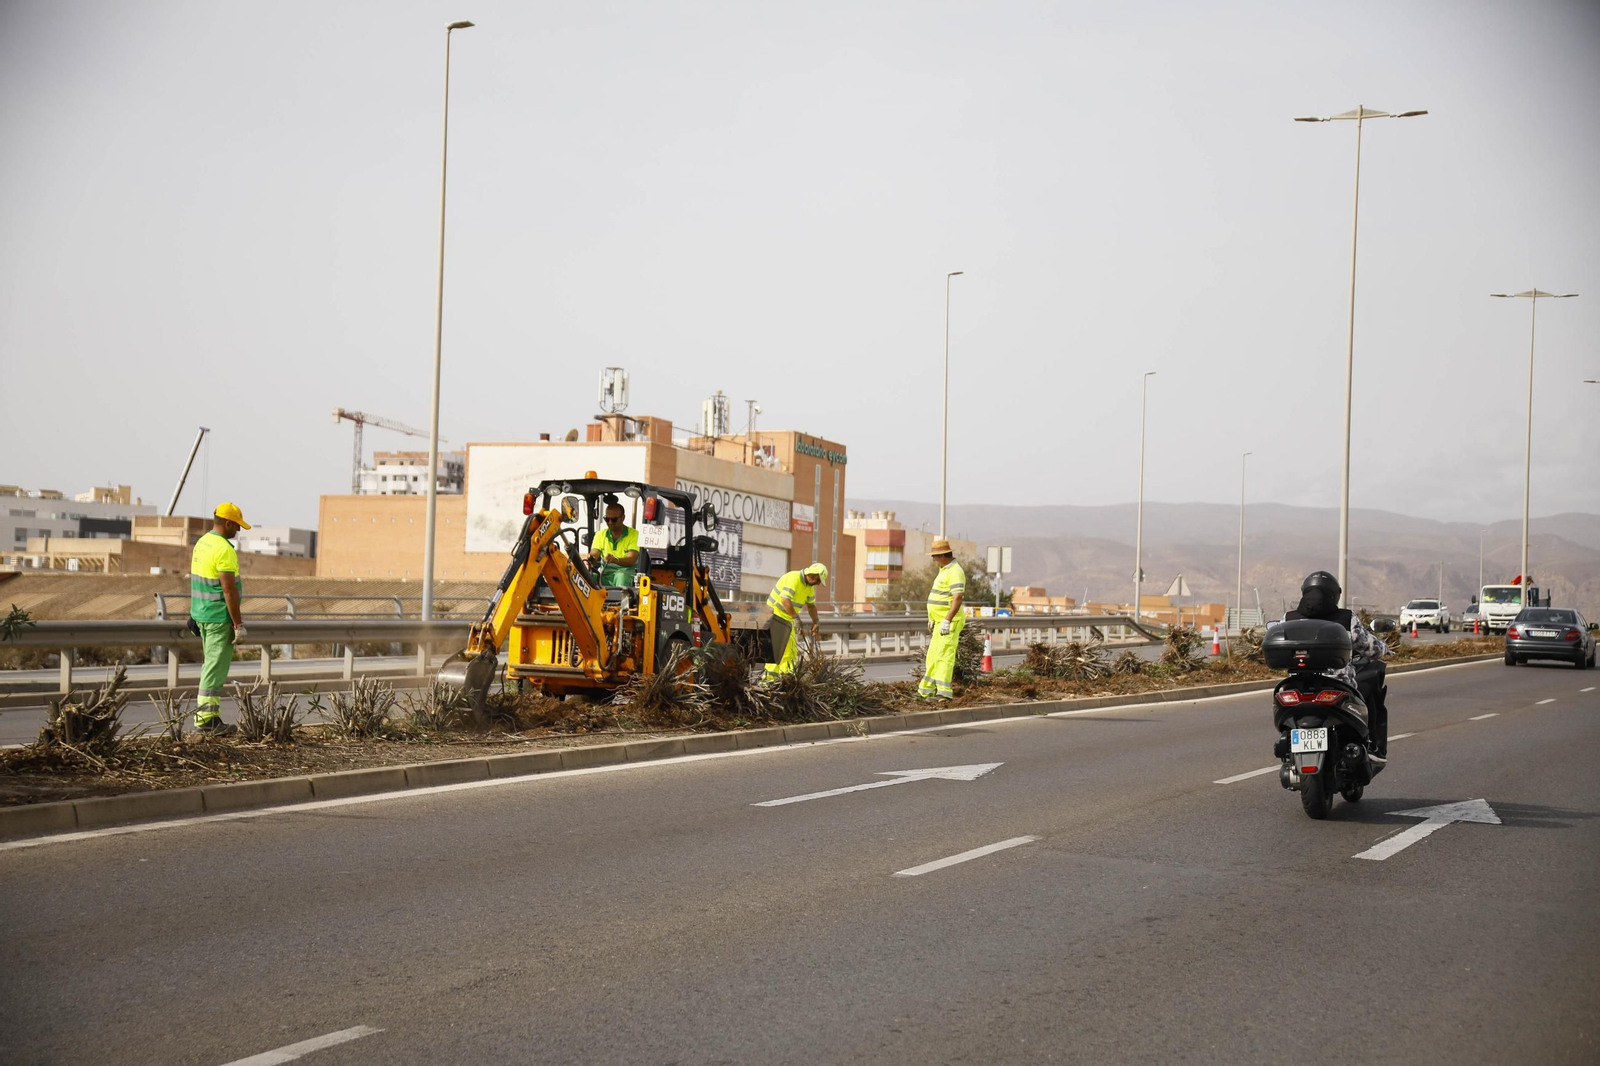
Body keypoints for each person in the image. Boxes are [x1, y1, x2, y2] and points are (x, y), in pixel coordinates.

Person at [1285, 570, 1390, 756]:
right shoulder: (1346, 619)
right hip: (1339, 687)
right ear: (1334, 594)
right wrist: (1385, 648)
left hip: (1297, 686)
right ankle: (1372, 746)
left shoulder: (1288, 618)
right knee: (1369, 692)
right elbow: (1370, 648)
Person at [191, 503, 250, 734]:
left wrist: (193, 614)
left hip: (203, 614)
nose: (238, 530)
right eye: (237, 525)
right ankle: (206, 721)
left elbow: (197, 580)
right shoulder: (224, 549)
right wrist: (238, 624)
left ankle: (208, 718)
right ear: (227, 523)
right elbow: (228, 590)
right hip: (218, 617)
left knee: (210, 666)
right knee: (214, 669)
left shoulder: (202, 543)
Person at [918, 538, 966, 700]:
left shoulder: (955, 571)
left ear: (943, 556)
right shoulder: (944, 569)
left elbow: (957, 597)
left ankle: (944, 694)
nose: (933, 560)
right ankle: (926, 691)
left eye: (935, 557)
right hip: (940, 622)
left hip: (948, 623)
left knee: (944, 656)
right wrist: (933, 617)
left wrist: (947, 620)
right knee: (933, 656)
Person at [763, 563, 827, 677]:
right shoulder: (794, 578)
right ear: (812, 575)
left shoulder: (809, 588)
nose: (818, 584)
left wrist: (816, 621)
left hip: (787, 618)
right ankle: (772, 679)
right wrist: (796, 618)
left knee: (791, 651)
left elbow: (811, 606)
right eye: (818, 580)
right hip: (775, 615)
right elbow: (785, 600)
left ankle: (786, 678)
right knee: (780, 650)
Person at [586, 499, 640, 588]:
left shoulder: (634, 534)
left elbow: (631, 560)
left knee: (621, 576)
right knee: (587, 577)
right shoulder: (600, 534)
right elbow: (594, 553)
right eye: (607, 519)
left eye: (614, 519)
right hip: (605, 573)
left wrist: (615, 560)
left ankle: (621, 601)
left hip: (626, 573)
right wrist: (591, 558)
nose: (610, 522)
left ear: (623, 518)